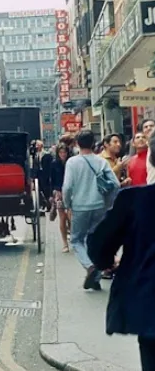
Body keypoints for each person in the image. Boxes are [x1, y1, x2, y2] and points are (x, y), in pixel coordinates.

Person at [87, 139, 155, 370]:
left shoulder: (135, 200)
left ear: (151, 159)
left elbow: (99, 243)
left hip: (149, 301)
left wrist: (107, 262)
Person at [62, 130, 120, 291]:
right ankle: (96, 275)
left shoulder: (73, 162)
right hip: (99, 206)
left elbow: (67, 187)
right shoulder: (100, 161)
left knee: (76, 240)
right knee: (93, 239)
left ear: (77, 144)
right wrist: (107, 203)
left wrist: (67, 204)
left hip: (80, 207)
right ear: (94, 144)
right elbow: (115, 184)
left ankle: (90, 267)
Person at [50, 144, 71, 253]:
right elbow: (52, 180)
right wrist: (54, 192)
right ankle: (64, 243)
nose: (63, 154)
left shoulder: (71, 163)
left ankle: (73, 236)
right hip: (59, 193)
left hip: (71, 193)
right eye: (61, 152)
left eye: (65, 152)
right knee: (62, 218)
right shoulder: (54, 164)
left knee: (70, 217)